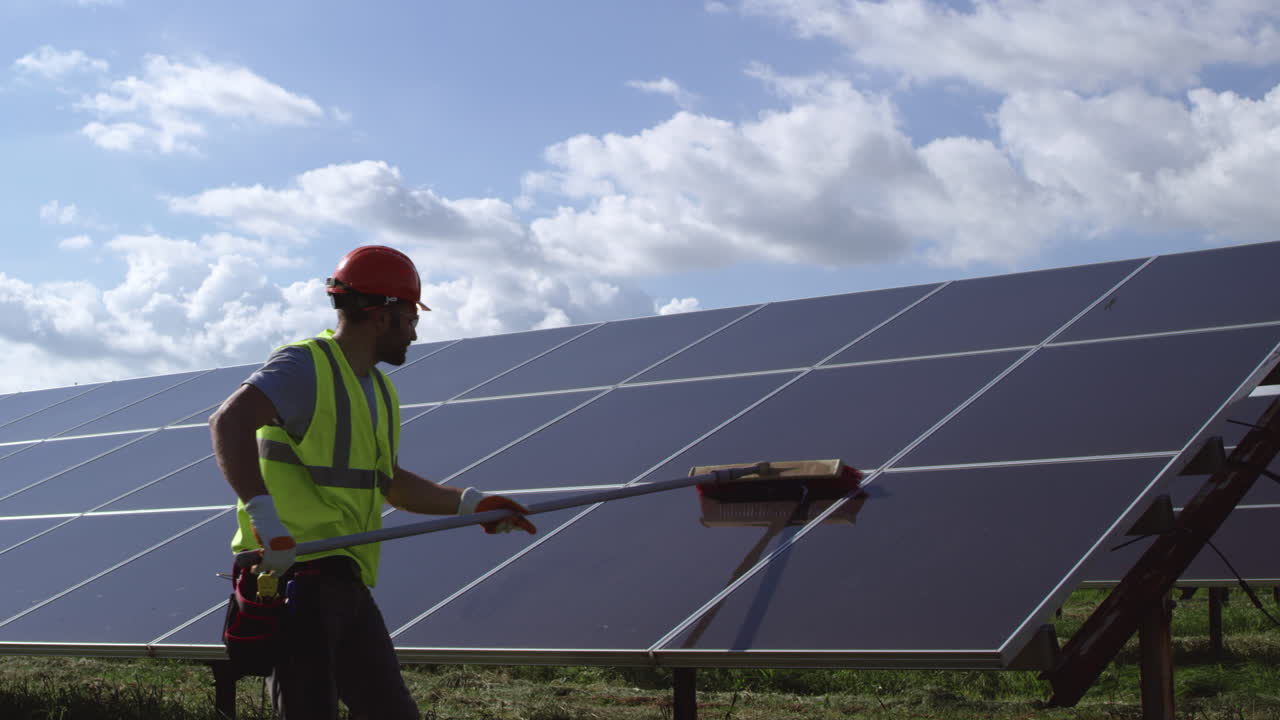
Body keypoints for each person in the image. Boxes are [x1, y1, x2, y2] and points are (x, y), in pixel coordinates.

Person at [210, 245, 535, 719]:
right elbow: (227, 422)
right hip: (298, 576)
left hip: (345, 578)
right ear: (382, 316)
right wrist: (265, 520)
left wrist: (473, 504)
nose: (415, 333)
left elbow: (392, 485)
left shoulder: (378, 389)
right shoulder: (305, 365)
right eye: (410, 318)